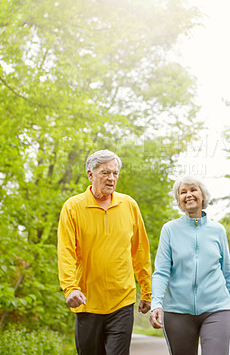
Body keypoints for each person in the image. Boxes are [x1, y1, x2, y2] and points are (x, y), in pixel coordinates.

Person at [57, 149, 152, 355]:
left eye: (115, 173)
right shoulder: (73, 207)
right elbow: (66, 252)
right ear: (91, 174)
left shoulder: (129, 205)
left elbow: (141, 251)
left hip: (122, 300)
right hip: (87, 300)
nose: (111, 178)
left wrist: (147, 289)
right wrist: (70, 288)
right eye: (105, 173)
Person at [149, 175, 230, 355]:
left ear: (203, 195)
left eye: (193, 190)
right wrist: (156, 304)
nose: (188, 195)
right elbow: (161, 272)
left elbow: (228, 274)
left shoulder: (218, 230)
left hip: (217, 309)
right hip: (177, 312)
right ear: (179, 200)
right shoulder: (169, 230)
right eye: (183, 192)